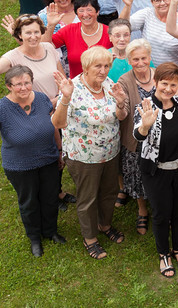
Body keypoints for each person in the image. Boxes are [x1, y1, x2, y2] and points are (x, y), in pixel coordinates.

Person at [0, 66, 64, 257]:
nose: (24, 87)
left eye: (27, 82)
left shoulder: (41, 98)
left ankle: (50, 231)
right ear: (9, 86)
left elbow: (52, 125)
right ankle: (35, 238)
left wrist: (60, 150)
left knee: (50, 197)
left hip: (48, 159)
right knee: (29, 202)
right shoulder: (1, 109)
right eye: (18, 84)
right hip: (20, 167)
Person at [52, 46, 129, 259]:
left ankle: (105, 225)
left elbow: (121, 116)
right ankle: (90, 237)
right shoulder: (72, 88)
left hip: (110, 152)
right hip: (84, 157)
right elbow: (58, 122)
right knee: (88, 198)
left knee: (109, 192)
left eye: (106, 66)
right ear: (86, 67)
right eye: (98, 66)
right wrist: (65, 98)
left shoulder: (109, 84)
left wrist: (121, 103)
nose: (103, 70)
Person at [133, 62, 178, 278]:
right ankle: (164, 253)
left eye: (173, 84)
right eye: (164, 83)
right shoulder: (145, 107)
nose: (168, 89)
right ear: (155, 82)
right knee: (161, 214)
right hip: (157, 172)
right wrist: (145, 125)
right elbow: (138, 136)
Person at [115, 38, 156, 233]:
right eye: (135, 59)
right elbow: (123, 115)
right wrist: (121, 103)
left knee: (159, 175)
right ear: (129, 61)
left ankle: (158, 206)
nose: (140, 63)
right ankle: (142, 210)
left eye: (143, 58)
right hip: (136, 138)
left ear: (150, 57)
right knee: (138, 174)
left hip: (160, 138)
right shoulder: (124, 80)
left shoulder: (158, 75)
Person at [0, 15, 63, 102]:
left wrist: (59, 99)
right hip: (36, 110)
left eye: (36, 32)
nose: (33, 36)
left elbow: (62, 78)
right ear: (20, 35)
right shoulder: (13, 56)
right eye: (28, 33)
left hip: (59, 105)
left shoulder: (49, 47)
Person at [44, 0, 112, 78]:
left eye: (89, 10)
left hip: (105, 85)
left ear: (97, 12)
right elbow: (45, 46)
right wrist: (51, 25)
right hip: (76, 87)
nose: (85, 14)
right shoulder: (69, 30)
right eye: (81, 11)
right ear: (76, 13)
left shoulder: (110, 32)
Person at [122, 0, 178, 65]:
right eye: (157, 0)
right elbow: (123, 26)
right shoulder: (147, 14)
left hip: (173, 73)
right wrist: (127, 6)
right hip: (149, 71)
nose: (162, 3)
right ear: (151, 2)